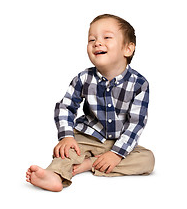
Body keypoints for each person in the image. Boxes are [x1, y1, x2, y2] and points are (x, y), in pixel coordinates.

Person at [26, 14, 155, 192]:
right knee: (67, 151)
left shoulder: (139, 84)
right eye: (91, 39)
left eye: (107, 37)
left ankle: (90, 164)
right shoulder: (83, 78)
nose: (97, 43)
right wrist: (66, 136)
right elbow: (66, 107)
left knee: (147, 160)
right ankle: (54, 175)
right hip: (88, 136)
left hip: (119, 140)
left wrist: (117, 153)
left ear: (128, 49)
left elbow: (136, 123)